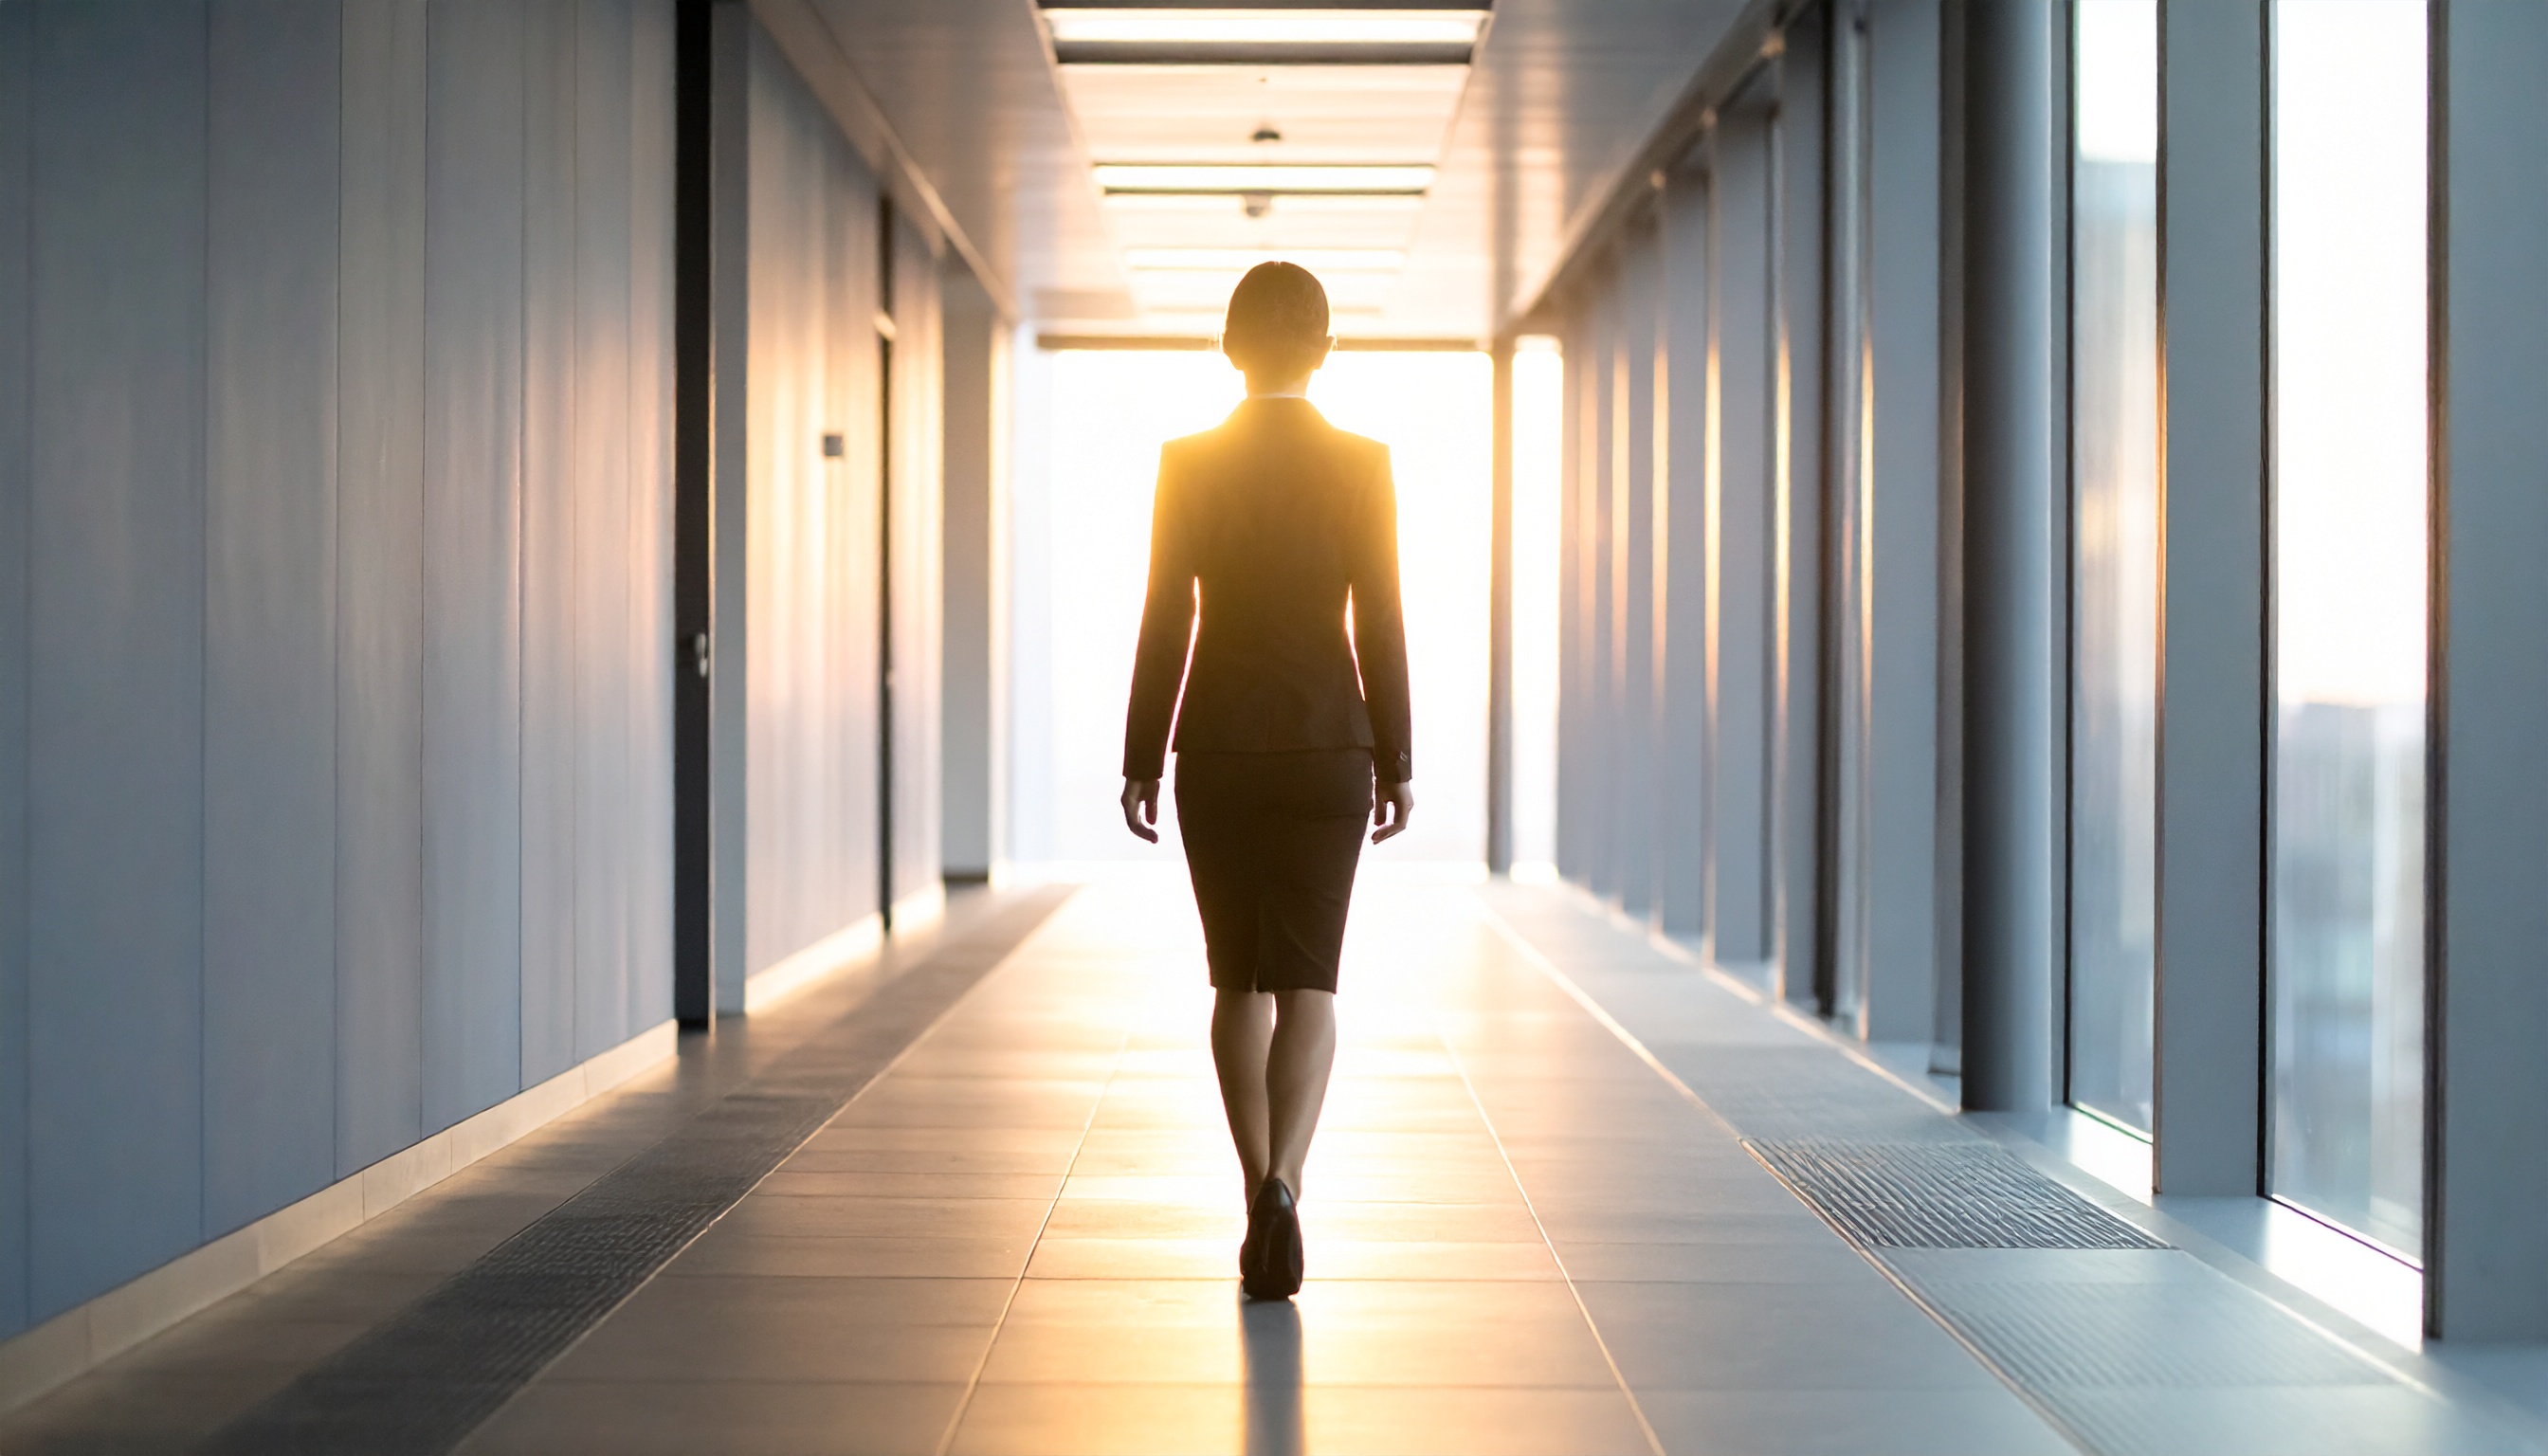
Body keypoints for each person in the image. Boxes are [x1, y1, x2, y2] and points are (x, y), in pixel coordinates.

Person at [1119, 262, 1415, 1301]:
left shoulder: (1188, 462)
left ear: (1230, 347)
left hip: (1222, 751)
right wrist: (1399, 757)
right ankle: (1292, 1179)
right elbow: (1377, 617)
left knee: (1235, 978)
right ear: (1325, 350)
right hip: (1330, 746)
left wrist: (1140, 757)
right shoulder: (1363, 463)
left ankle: (1257, 1191)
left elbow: (1168, 617)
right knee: (1311, 984)